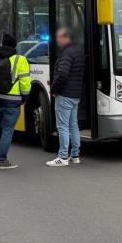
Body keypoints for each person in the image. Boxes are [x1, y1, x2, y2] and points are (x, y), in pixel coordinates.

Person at [0, 33, 31, 169]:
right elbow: (26, 83)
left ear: (1, 44)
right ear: (15, 45)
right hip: (12, 101)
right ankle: (2, 160)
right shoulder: (20, 60)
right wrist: (24, 97)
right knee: (7, 130)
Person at [46, 28, 85, 167]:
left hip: (65, 94)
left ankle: (62, 157)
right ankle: (75, 155)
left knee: (62, 126)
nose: (57, 40)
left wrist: (54, 89)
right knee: (73, 125)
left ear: (66, 38)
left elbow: (62, 74)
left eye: (59, 37)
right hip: (75, 94)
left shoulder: (66, 53)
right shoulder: (78, 52)